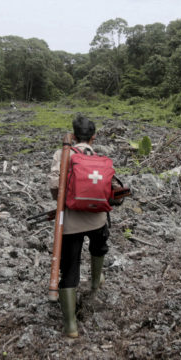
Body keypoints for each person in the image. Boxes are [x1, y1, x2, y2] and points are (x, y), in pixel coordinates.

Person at [48, 115, 110, 338]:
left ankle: (70, 326)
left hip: (71, 222)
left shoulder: (63, 154)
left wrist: (63, 201)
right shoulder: (100, 158)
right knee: (98, 246)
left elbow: (55, 185)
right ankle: (95, 281)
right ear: (94, 137)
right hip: (97, 219)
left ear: (73, 136)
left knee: (70, 268)